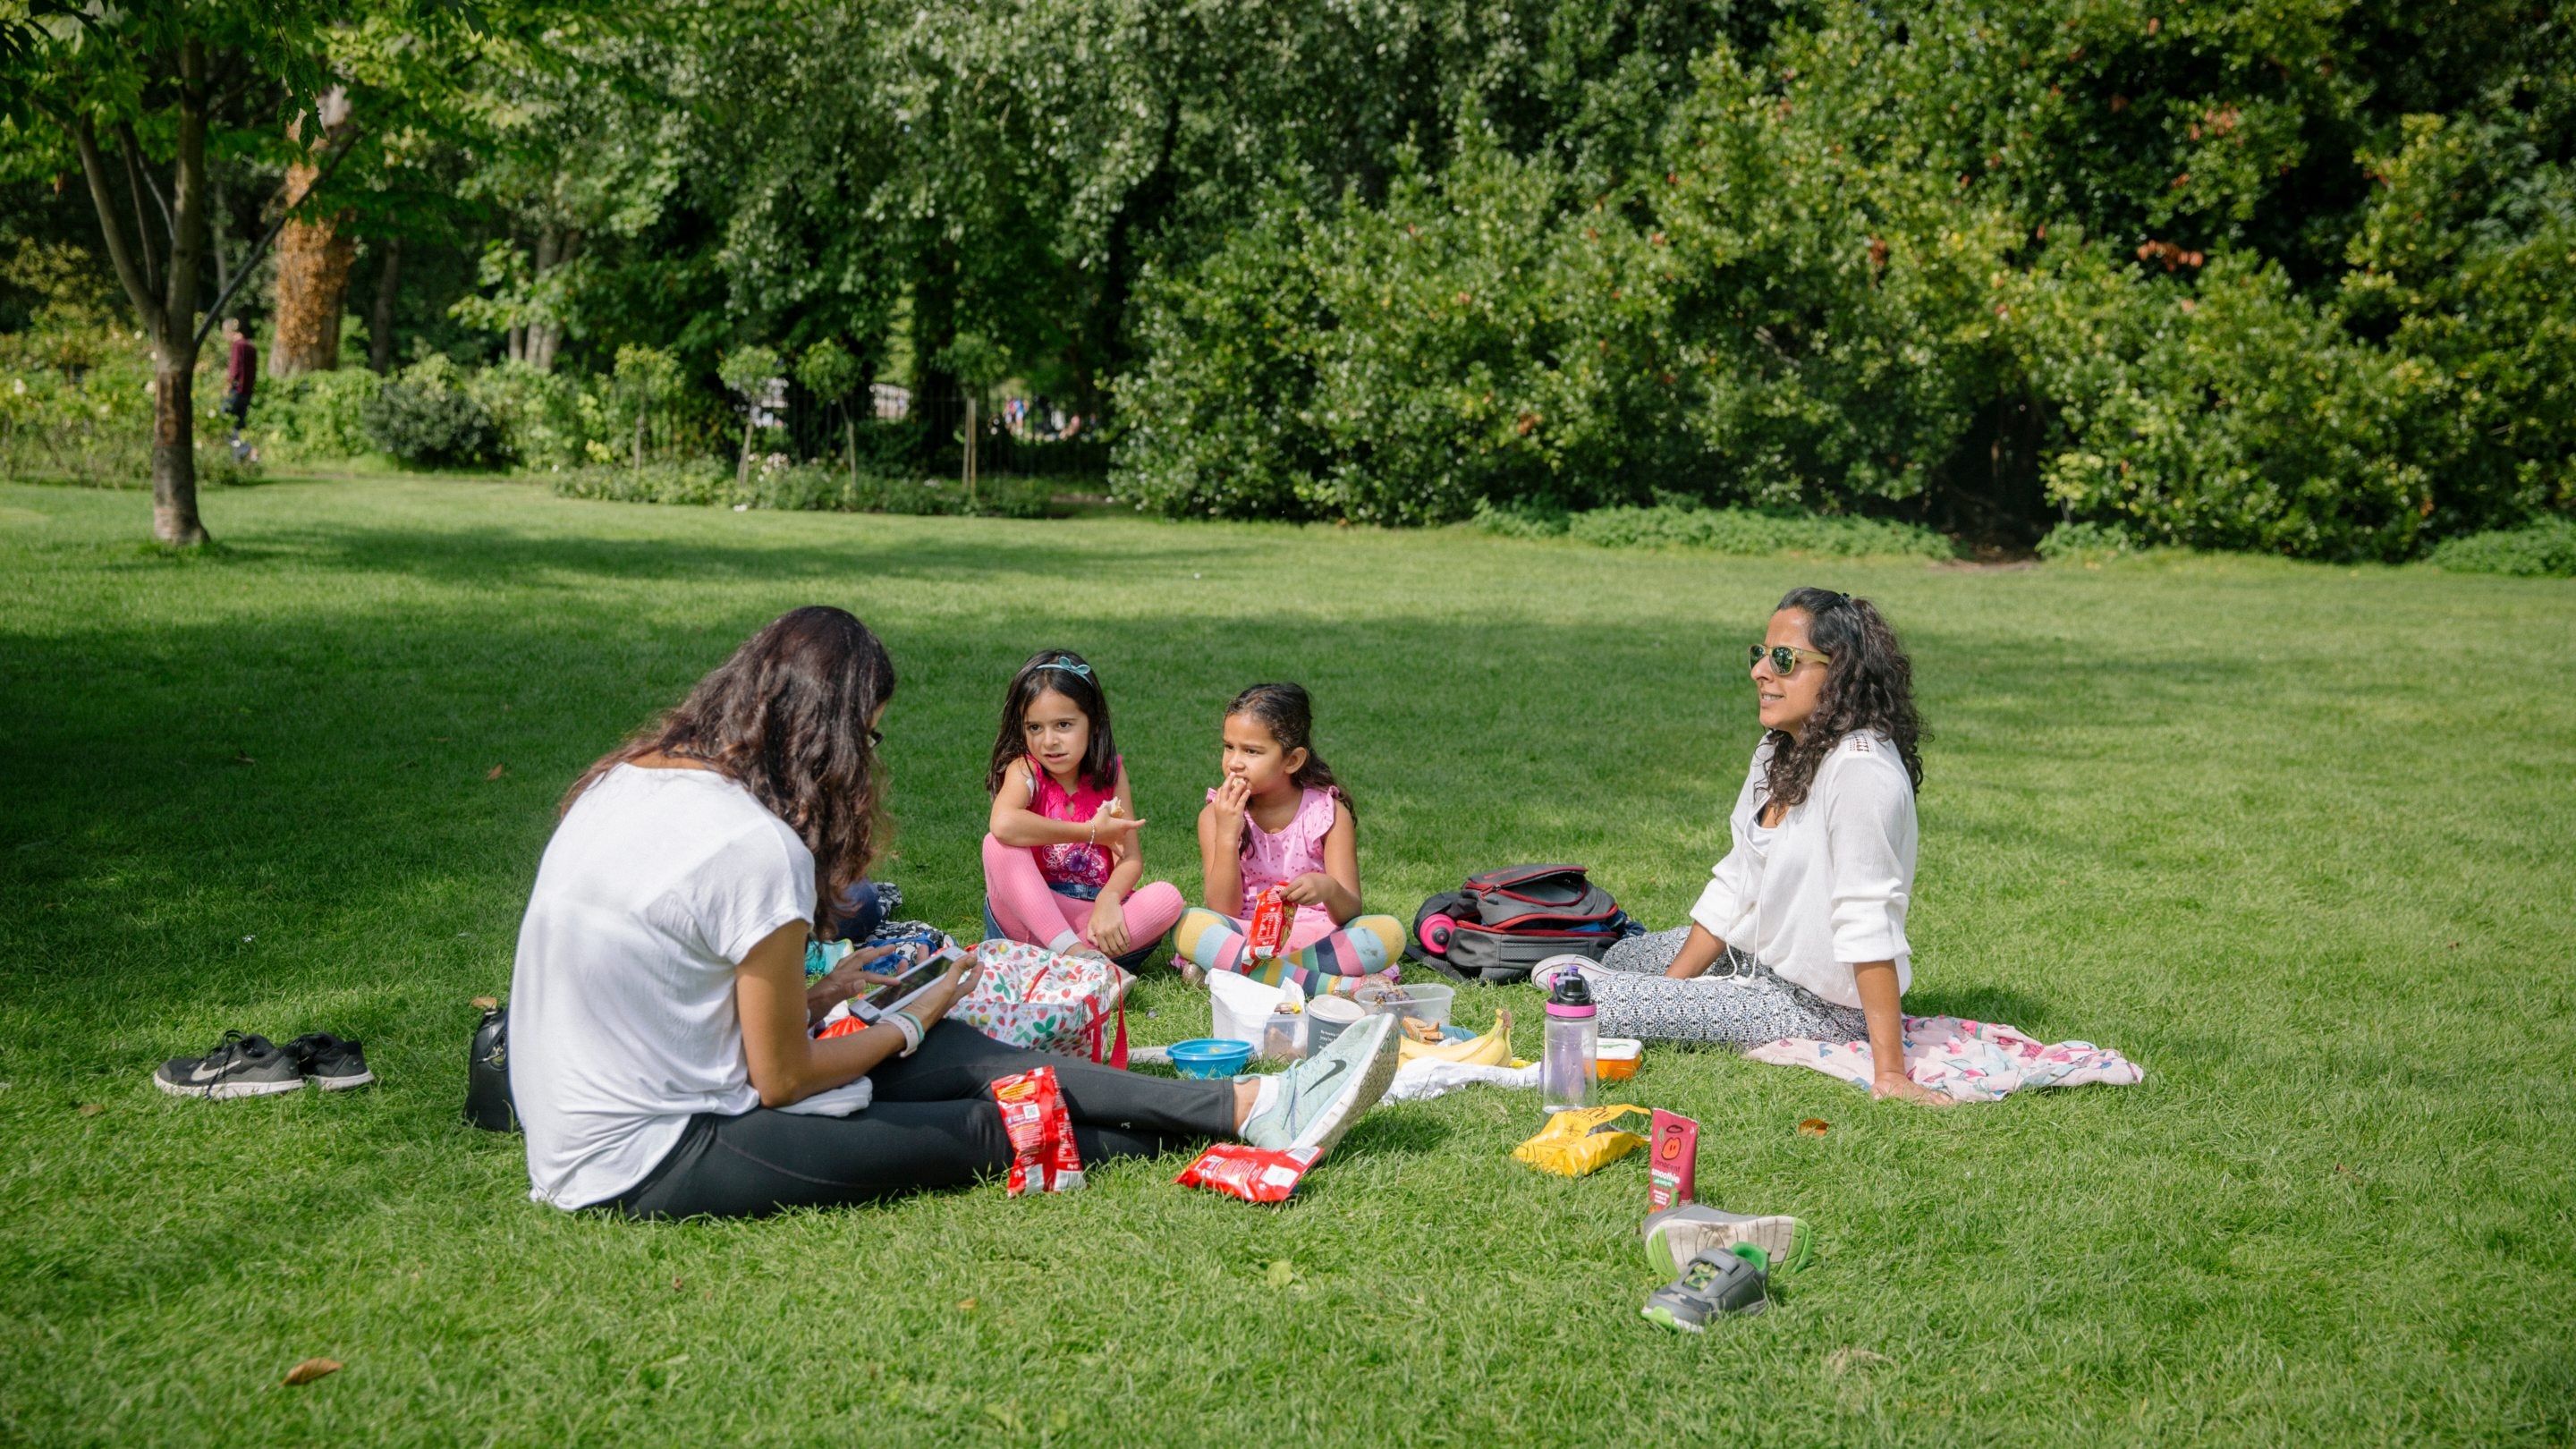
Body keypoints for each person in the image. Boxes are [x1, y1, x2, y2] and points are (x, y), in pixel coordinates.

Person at [507, 607, 1395, 1218]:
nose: (867, 760)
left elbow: (678, 989)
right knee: (987, 1118)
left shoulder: (630, 781)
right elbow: (780, 1081)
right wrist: (907, 1023)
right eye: (872, 735)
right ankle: (1246, 1116)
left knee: (976, 1055)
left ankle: (1247, 1104)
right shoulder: (753, 846)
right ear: (828, 733)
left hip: (661, 1094)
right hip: (647, 1156)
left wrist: (832, 1000)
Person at [1552, 587, 1951, 1106]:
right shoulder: (1781, 748)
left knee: (1581, 995)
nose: (1761, 671)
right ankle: (1634, 985)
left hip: (1813, 1005)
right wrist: (1670, 996)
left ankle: (1620, 992)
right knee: (1622, 954)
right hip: (1749, 959)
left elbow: (1868, 917)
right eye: (1759, 654)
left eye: (1783, 659)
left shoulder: (1860, 772)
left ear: (1840, 672)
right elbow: (1736, 882)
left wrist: (1891, 1073)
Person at [1174, 682, 1407, 993]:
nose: (1234, 762)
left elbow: (1350, 912)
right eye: (1229, 746)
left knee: (1387, 933)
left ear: (1292, 760)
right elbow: (1222, 909)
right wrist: (1228, 835)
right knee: (1190, 923)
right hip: (1248, 934)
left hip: (1315, 937)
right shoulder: (1215, 815)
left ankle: (1240, 974)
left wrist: (1328, 888)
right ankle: (1337, 987)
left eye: (1252, 751)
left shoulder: (1328, 814)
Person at [979, 649, 1185, 964]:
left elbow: (1129, 858)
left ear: (1094, 723)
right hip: (1033, 910)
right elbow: (1004, 824)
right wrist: (1091, 832)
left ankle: (1062, 964)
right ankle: (1076, 956)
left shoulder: (1110, 773)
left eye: (1063, 725)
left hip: (1092, 917)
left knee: (1167, 898)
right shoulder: (1026, 769)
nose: (1049, 741)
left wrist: (1109, 898)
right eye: (1035, 727)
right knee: (998, 845)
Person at [220, 318, 256, 449]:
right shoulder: (250, 346)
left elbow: (235, 370)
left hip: (236, 392)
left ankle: (245, 451)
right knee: (239, 425)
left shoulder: (238, 346)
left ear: (229, 331)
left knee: (224, 421)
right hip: (246, 392)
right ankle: (244, 454)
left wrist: (227, 388)